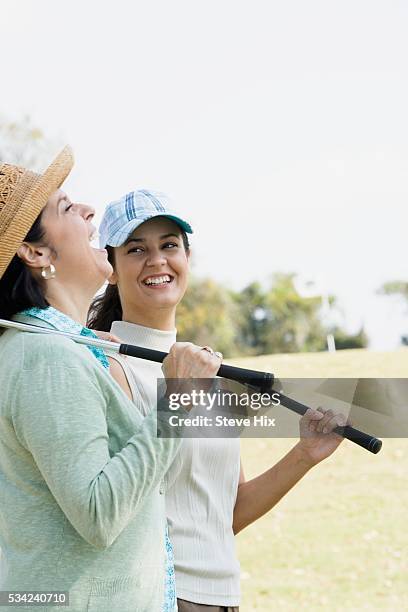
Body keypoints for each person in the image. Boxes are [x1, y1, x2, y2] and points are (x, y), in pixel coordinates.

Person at [89, 190, 348, 612]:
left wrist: (304, 455)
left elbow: (224, 517)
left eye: (169, 245)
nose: (156, 260)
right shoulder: (103, 365)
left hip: (223, 599)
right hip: (156, 596)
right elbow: (111, 505)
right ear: (111, 267)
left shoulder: (212, 373)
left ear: (187, 257)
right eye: (136, 249)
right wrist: (177, 399)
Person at [0, 151, 222, 612]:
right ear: (36, 252)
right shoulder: (49, 357)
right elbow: (100, 514)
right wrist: (174, 402)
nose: (87, 210)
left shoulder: (62, 348)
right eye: (65, 207)